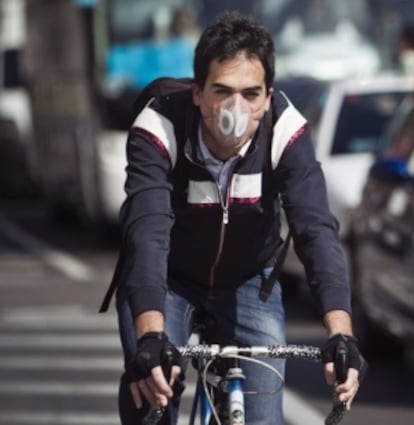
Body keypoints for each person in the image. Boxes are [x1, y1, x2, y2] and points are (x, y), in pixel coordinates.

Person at [103, 11, 366, 425]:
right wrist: (150, 335)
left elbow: (315, 228)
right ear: (197, 93)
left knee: (263, 417)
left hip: (248, 279)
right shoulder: (158, 127)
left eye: (250, 93)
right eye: (222, 90)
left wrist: (341, 333)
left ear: (268, 96)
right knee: (151, 395)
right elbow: (148, 230)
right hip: (167, 278)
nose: (235, 108)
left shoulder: (285, 128)